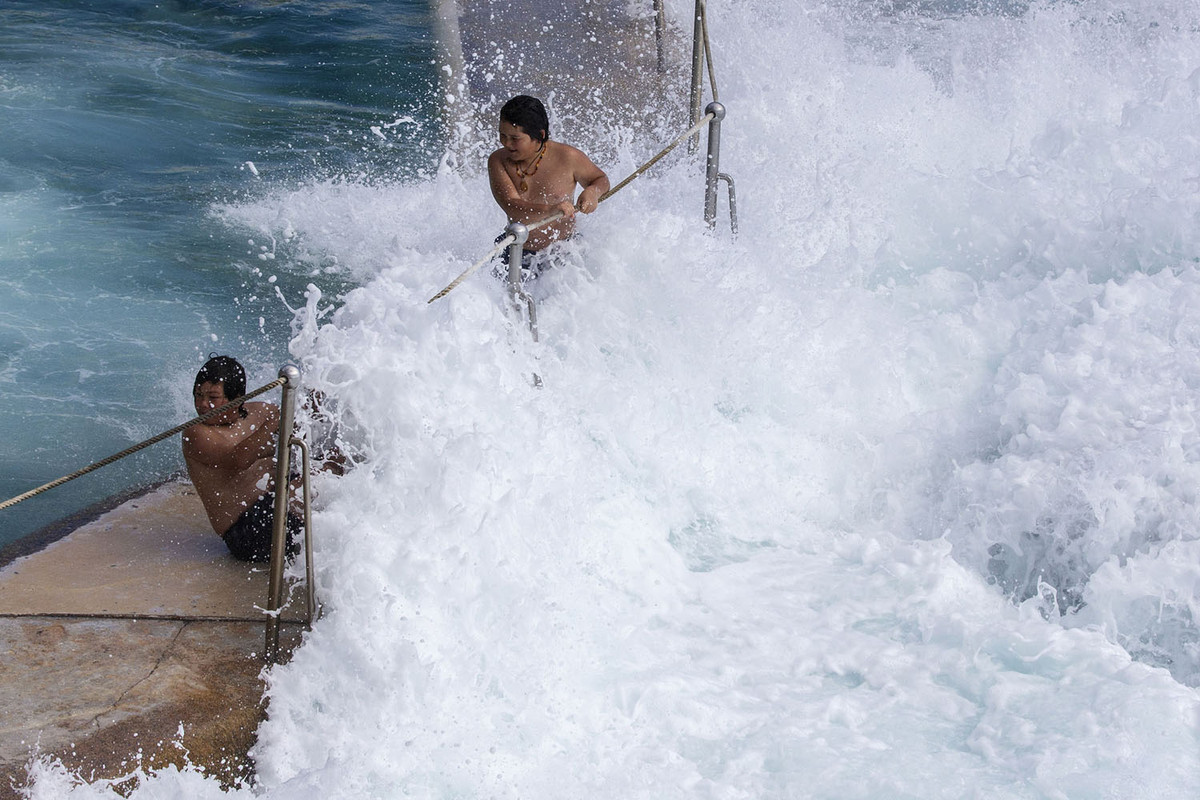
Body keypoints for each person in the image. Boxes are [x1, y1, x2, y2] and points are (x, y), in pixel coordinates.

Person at [182, 355, 301, 562]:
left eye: (212, 397)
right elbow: (238, 460)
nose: (202, 404)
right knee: (309, 494)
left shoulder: (261, 412)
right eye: (198, 395)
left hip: (277, 501)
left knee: (330, 468)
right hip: (246, 529)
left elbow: (298, 427)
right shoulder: (195, 433)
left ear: (236, 397)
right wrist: (275, 423)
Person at [488, 94, 610, 280]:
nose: (506, 143)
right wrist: (551, 209)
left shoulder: (568, 157)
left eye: (515, 138)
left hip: (563, 251)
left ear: (540, 136)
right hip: (516, 251)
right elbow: (512, 206)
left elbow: (600, 179)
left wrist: (593, 192)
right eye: (502, 135)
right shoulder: (498, 160)